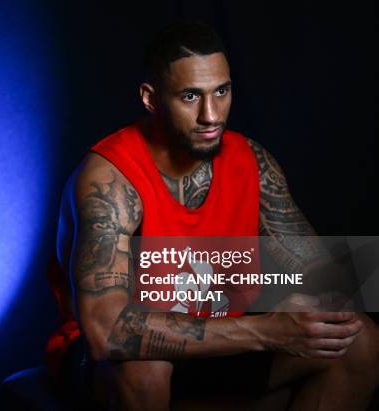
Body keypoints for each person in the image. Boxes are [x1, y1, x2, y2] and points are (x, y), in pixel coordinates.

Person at [45, 22, 379, 410]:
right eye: (190, 96)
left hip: (220, 344)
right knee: (145, 368)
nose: (211, 115)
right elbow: (106, 332)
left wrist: (319, 295)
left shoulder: (251, 162)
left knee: (358, 339)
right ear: (151, 99)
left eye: (221, 91)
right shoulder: (109, 180)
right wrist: (267, 331)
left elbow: (316, 268)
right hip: (106, 362)